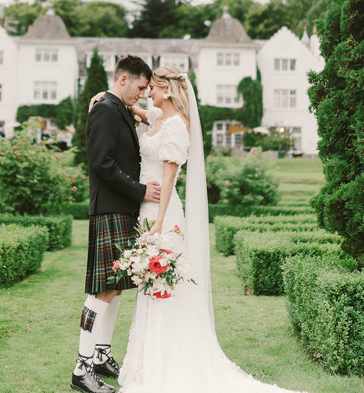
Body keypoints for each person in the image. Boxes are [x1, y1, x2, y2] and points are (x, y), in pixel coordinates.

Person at [105, 66, 306, 393]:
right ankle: (149, 361)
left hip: (163, 213)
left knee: (165, 287)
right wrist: (111, 99)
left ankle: (167, 364)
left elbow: (169, 179)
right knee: (150, 288)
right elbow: (141, 112)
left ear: (167, 90)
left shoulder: (176, 127)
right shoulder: (159, 118)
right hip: (147, 208)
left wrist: (158, 223)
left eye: (153, 89)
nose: (148, 94)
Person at [71, 55, 161, 393]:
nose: (142, 94)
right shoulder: (105, 110)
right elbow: (101, 165)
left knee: (117, 285)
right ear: (123, 79)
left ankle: (100, 356)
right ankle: (81, 367)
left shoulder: (116, 106)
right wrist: (141, 191)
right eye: (139, 87)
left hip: (121, 211)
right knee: (102, 290)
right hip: (110, 209)